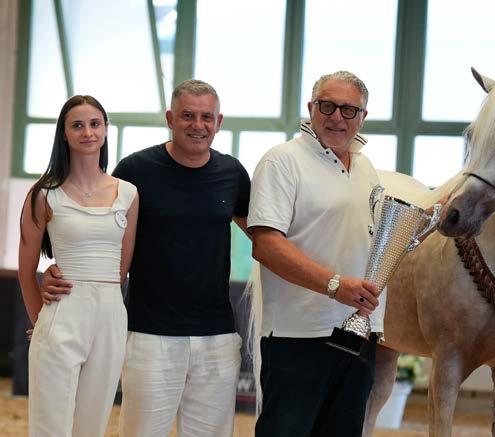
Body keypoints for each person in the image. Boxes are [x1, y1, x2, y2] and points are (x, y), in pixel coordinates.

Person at [42, 80, 251, 436]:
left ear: (219, 122)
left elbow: (264, 239)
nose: (197, 125)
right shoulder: (135, 170)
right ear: (170, 118)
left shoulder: (233, 174)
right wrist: (57, 270)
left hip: (217, 336)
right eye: (187, 115)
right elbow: (98, 233)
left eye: (206, 117)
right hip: (149, 335)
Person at [249, 70, 383, 436]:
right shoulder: (282, 161)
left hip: (359, 334)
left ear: (362, 117)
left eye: (348, 109)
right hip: (297, 336)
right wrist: (335, 285)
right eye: (327, 106)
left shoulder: (366, 167)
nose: (337, 116)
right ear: (310, 108)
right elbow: (266, 244)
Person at [19, 95, 139, 436]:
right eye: (78, 125)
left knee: (91, 427)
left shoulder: (129, 194)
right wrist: (41, 323)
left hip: (111, 319)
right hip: (61, 315)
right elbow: (26, 270)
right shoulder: (43, 193)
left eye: (95, 124)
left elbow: (121, 270)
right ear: (64, 133)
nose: (88, 132)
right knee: (50, 427)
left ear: (105, 129)